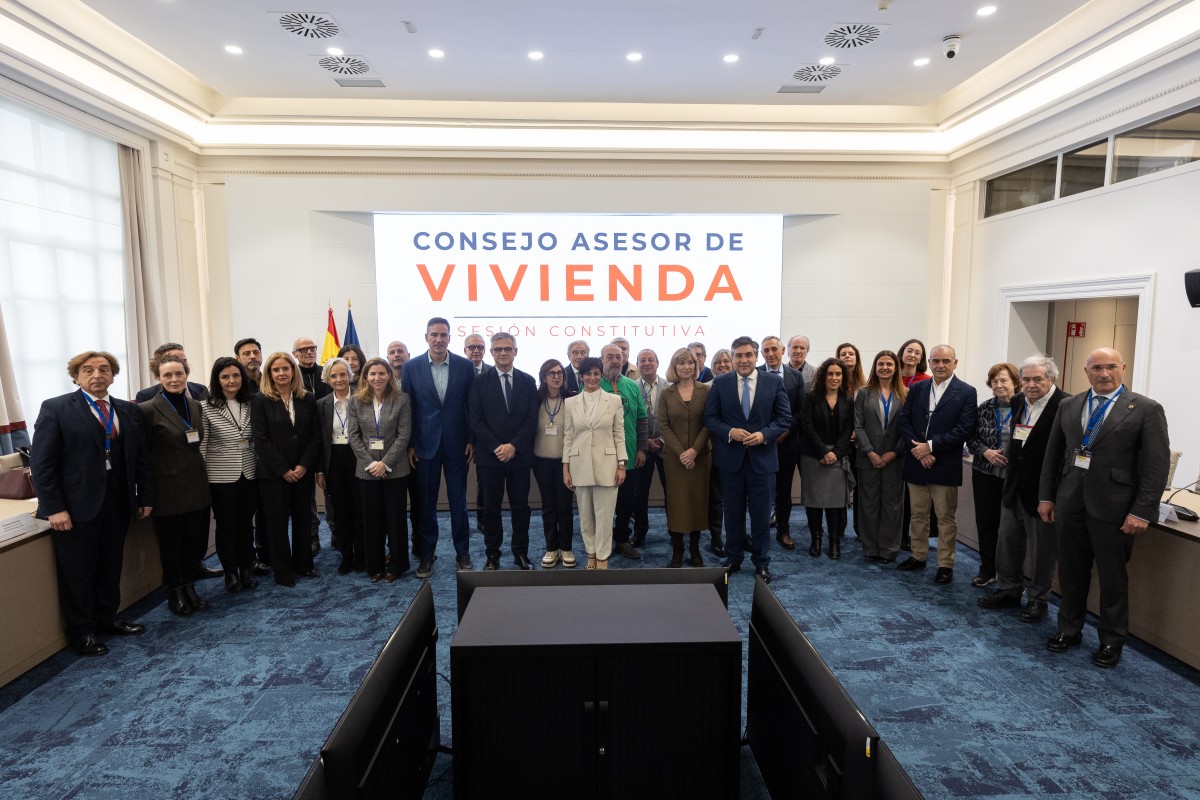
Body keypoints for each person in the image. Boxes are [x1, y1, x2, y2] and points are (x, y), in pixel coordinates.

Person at [1038, 347, 1169, 669]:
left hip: (1115, 508)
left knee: (1113, 579)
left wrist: (1142, 511)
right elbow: (1053, 454)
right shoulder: (1069, 405)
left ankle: (1111, 640)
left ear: (1123, 368)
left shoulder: (1145, 409)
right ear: (1086, 371)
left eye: (1111, 367)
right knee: (1070, 573)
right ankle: (1069, 629)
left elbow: (1156, 467)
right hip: (1070, 502)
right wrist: (1046, 497)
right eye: (1096, 368)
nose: (1104, 373)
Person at [30, 351, 153, 656]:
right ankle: (82, 631)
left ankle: (107, 618)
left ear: (113, 375)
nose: (97, 375)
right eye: (88, 370)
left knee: (111, 565)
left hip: (118, 501)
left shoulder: (127, 410)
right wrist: (54, 508)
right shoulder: (56, 408)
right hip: (75, 507)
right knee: (78, 572)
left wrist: (144, 496)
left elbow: (140, 458)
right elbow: (42, 465)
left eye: (104, 369)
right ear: (76, 377)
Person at [978, 355, 1069, 623]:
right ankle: (1008, 589)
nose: (1031, 384)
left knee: (1042, 551)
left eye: (1037, 379)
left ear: (1052, 378)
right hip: (1014, 486)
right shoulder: (1018, 401)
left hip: (1043, 493)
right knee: (1007, 542)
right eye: (1026, 379)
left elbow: (1064, 455)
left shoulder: (1066, 405)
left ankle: (1038, 600)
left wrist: (1051, 496)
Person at [704, 336, 792, 584]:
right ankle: (733, 558)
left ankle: (761, 562)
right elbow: (710, 419)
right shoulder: (720, 383)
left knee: (761, 516)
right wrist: (730, 432)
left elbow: (784, 419)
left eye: (748, 355)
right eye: (738, 355)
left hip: (762, 462)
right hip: (730, 462)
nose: (743, 360)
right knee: (732, 513)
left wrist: (764, 435)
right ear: (732, 358)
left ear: (756, 356)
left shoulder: (773, 382)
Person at [896, 345, 978, 585]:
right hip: (916, 461)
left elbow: (964, 428)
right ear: (929, 363)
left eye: (946, 361)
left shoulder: (966, 392)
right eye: (936, 361)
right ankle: (918, 555)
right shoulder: (918, 388)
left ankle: (945, 564)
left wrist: (930, 447)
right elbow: (904, 420)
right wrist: (919, 450)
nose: (940, 365)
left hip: (944, 463)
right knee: (918, 514)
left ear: (955, 363)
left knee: (945, 518)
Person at [402, 317, 476, 577]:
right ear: (426, 337)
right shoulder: (411, 367)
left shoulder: (465, 366)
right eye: (434, 334)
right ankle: (426, 555)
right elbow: (408, 408)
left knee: (459, 503)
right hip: (424, 445)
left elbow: (471, 406)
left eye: (443, 335)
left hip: (457, 444)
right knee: (426, 504)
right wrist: (411, 444)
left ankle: (463, 553)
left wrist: (471, 439)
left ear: (449, 338)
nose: (438, 339)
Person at [139, 354, 212, 616]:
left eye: (179, 374)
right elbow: (142, 456)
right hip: (167, 490)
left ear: (186, 375)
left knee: (194, 542)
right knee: (172, 545)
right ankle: (175, 591)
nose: (174, 379)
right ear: (158, 378)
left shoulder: (195, 405)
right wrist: (144, 494)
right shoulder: (147, 409)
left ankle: (190, 586)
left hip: (197, 485)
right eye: (167, 375)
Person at [468, 332, 539, 570]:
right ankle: (492, 555)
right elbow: (475, 419)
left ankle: (521, 553)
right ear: (491, 353)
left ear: (515, 352)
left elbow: (532, 419)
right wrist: (498, 447)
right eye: (498, 349)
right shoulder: (479, 382)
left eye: (508, 349)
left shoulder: (528, 381)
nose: (503, 353)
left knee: (521, 508)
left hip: (519, 457)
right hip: (490, 458)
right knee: (490, 509)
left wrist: (513, 446)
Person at [251, 351, 320, 587]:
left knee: (303, 520)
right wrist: (283, 469)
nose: (281, 373)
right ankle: (283, 572)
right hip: (273, 474)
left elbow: (315, 436)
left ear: (293, 371)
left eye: (285, 368)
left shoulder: (307, 398)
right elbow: (261, 439)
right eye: (276, 369)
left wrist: (303, 465)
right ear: (270, 374)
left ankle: (304, 565)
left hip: (302, 471)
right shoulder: (260, 400)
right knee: (277, 524)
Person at [349, 358, 413, 582]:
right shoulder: (356, 401)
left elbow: (404, 435)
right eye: (372, 374)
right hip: (366, 471)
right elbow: (354, 436)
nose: (377, 378)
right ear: (366, 377)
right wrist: (371, 464)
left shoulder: (402, 399)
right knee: (371, 520)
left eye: (382, 373)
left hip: (395, 469)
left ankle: (397, 565)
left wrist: (384, 464)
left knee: (396, 520)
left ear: (389, 375)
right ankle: (374, 565)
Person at [200, 357, 259, 593]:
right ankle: (230, 573)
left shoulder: (252, 403)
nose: (231, 380)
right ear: (217, 380)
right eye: (225, 377)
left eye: (235, 375)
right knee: (226, 526)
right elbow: (202, 446)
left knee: (245, 524)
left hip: (249, 472)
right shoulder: (205, 407)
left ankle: (246, 569)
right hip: (220, 476)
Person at [562, 357, 627, 570]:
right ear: (581, 377)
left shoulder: (614, 401)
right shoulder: (570, 403)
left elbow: (619, 434)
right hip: (579, 464)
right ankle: (591, 553)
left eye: (596, 373)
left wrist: (621, 465)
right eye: (588, 374)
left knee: (605, 515)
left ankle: (602, 557)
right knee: (586, 517)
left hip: (607, 465)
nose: (592, 377)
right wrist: (565, 468)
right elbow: (568, 436)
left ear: (601, 375)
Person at [967, 362, 1020, 588]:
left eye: (1004, 380)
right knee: (986, 523)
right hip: (985, 473)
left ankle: (1010, 576)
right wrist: (985, 452)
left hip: (1014, 476)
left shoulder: (1025, 407)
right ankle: (987, 569)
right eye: (994, 381)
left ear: (1015, 382)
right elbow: (971, 438)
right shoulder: (984, 408)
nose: (999, 385)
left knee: (1011, 528)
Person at [658, 347, 711, 567]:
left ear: (696, 365)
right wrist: (682, 453)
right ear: (674, 367)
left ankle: (695, 548)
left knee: (698, 502)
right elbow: (663, 425)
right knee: (677, 503)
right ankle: (677, 549)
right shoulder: (666, 394)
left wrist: (694, 451)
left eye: (690, 362)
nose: (686, 367)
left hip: (700, 457)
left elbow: (710, 422)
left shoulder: (706, 391)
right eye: (681, 363)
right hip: (675, 460)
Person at [853, 351, 907, 564]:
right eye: (881, 364)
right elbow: (858, 425)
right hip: (869, 458)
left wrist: (895, 452)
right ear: (875, 367)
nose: (885, 367)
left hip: (895, 458)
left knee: (892, 506)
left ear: (896, 368)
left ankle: (889, 549)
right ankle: (870, 547)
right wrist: (870, 452)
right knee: (869, 504)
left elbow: (908, 427)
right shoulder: (864, 393)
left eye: (889, 364)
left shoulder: (906, 394)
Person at [798, 358, 854, 560]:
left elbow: (848, 429)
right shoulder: (811, 397)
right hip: (813, 455)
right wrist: (823, 452)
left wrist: (836, 453)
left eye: (838, 374)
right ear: (823, 376)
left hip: (838, 456)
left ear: (843, 377)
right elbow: (807, 426)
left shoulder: (848, 399)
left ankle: (834, 542)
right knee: (813, 501)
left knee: (835, 502)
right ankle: (816, 540)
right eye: (830, 374)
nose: (834, 378)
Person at [315, 357, 362, 574]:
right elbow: (318, 440)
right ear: (327, 379)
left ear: (350, 376)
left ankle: (362, 554)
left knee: (360, 509)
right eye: (333, 376)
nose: (339, 379)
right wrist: (320, 470)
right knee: (340, 511)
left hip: (359, 457)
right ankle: (346, 555)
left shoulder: (362, 398)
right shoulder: (321, 404)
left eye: (343, 374)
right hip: (334, 460)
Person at [602, 343, 648, 559]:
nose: (615, 361)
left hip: (628, 455)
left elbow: (642, 419)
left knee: (626, 502)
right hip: (601, 457)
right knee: (602, 504)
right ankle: (602, 542)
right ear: (602, 360)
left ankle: (621, 539)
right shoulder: (592, 384)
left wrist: (642, 449)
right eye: (610, 357)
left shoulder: (631, 385)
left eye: (618, 357)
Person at [759, 335, 804, 550]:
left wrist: (784, 431)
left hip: (788, 443)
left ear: (783, 351)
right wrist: (768, 434)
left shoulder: (796, 376)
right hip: (761, 443)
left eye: (774, 349)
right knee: (761, 490)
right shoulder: (755, 373)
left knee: (784, 490)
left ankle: (783, 531)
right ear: (761, 354)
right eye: (766, 350)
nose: (770, 354)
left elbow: (800, 410)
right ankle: (759, 532)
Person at [533, 360, 575, 568]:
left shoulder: (572, 399)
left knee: (565, 506)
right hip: (540, 462)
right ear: (543, 377)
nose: (557, 377)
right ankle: (551, 548)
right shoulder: (535, 399)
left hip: (565, 462)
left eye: (560, 373)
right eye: (552, 373)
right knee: (548, 506)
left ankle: (566, 548)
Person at [631, 348, 669, 548]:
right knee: (639, 494)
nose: (647, 363)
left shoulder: (669, 387)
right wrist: (645, 442)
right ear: (637, 364)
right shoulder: (631, 387)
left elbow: (675, 420)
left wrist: (661, 440)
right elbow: (629, 421)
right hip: (641, 449)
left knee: (671, 491)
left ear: (657, 363)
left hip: (666, 447)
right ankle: (639, 532)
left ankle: (675, 530)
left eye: (650, 360)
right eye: (642, 360)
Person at [705, 347, 734, 553]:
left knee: (738, 497)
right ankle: (716, 538)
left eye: (726, 361)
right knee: (716, 498)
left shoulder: (743, 385)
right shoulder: (704, 388)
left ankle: (739, 535)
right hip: (715, 449)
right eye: (718, 362)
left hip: (741, 449)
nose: (722, 365)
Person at [133, 342, 209, 403]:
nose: (181, 365)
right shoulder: (146, 396)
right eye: (174, 360)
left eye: (184, 361)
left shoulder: (201, 389)